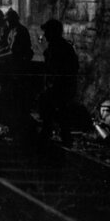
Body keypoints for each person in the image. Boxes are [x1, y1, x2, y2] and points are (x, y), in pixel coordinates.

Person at [37, 19, 79, 147]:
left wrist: (52, 86)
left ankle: (53, 134)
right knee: (57, 109)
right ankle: (60, 135)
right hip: (63, 86)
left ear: (53, 32)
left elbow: (57, 70)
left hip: (62, 87)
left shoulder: (59, 48)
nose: (45, 35)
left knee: (53, 107)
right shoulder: (60, 46)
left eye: (47, 32)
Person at [0, 8, 33, 89]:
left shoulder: (19, 31)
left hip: (20, 60)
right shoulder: (12, 30)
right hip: (14, 57)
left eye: (8, 21)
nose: (7, 23)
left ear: (13, 20)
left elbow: (14, 53)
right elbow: (9, 46)